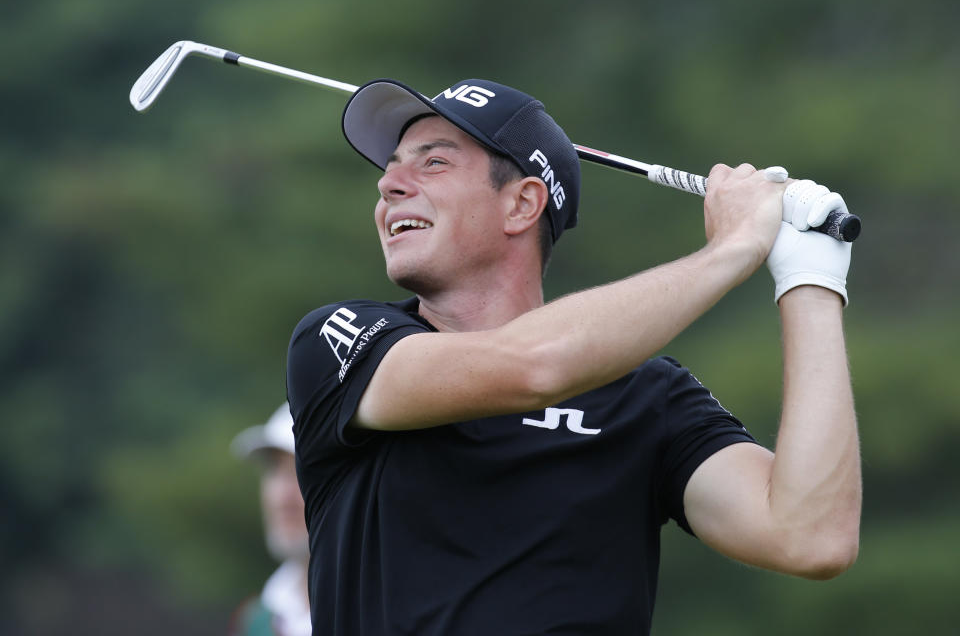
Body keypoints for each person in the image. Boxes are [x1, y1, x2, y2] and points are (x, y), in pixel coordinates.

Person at [286, 78, 861, 635]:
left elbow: (811, 536)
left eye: (432, 163)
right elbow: (532, 366)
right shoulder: (342, 340)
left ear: (522, 204)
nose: (390, 185)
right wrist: (733, 249)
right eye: (390, 167)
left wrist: (811, 279)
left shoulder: (647, 399)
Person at [229, 404, 312, 636]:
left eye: (301, 472)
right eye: (274, 470)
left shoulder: (388, 607)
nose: (282, 497)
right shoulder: (257, 621)